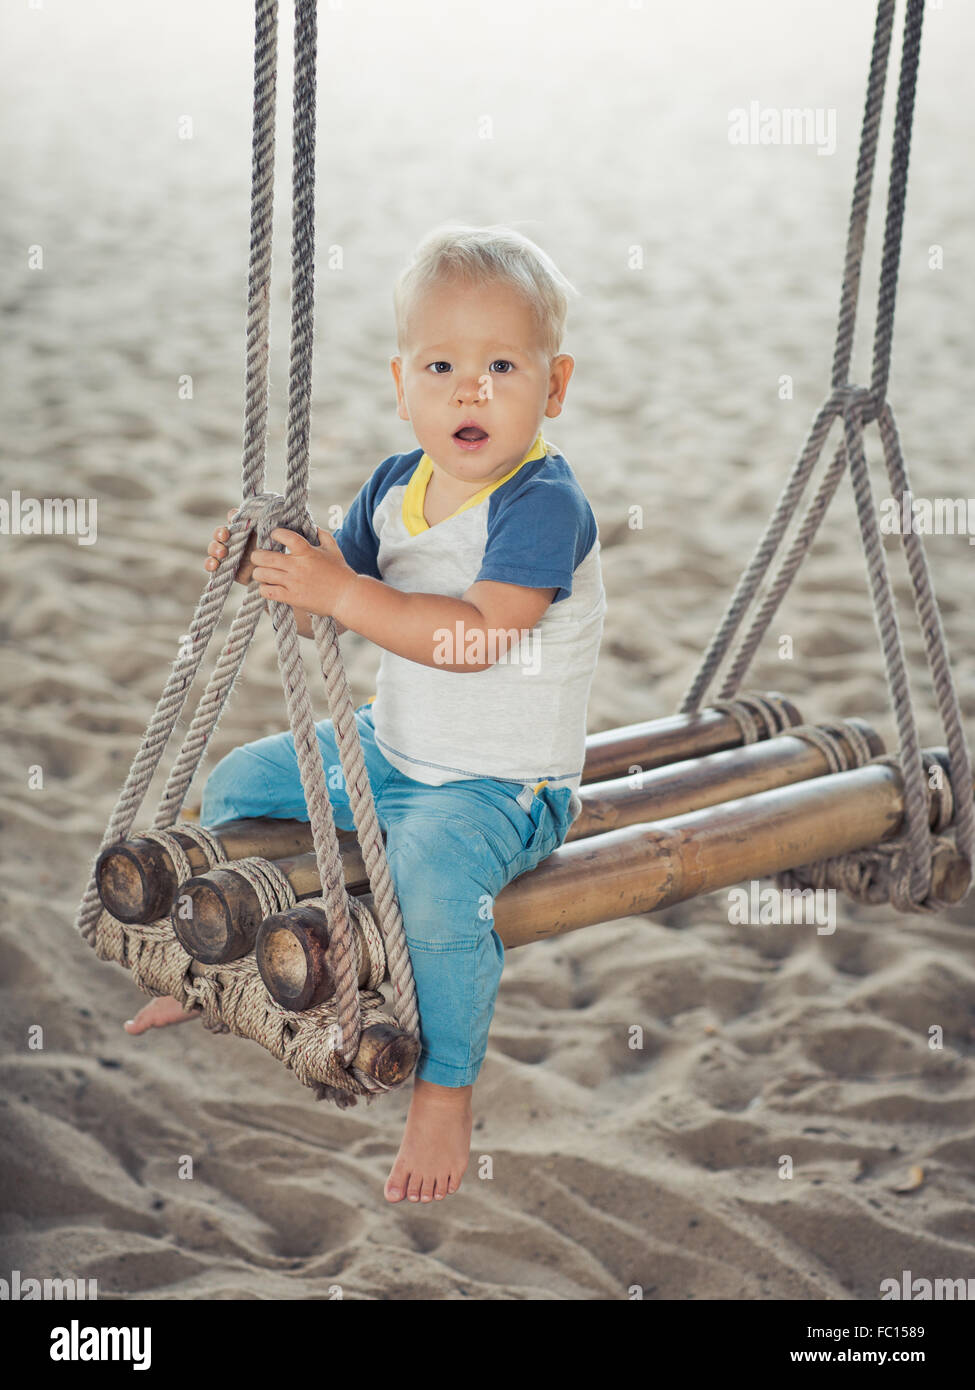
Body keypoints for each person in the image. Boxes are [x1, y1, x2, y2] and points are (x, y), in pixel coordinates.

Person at [124, 223, 606, 1205]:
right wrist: (272, 568)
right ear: (402, 384)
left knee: (431, 877)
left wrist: (343, 595)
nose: (470, 389)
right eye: (443, 364)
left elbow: (475, 635)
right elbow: (321, 614)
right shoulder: (395, 486)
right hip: (393, 756)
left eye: (502, 365)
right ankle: (222, 956)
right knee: (241, 784)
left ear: (553, 388)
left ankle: (446, 1083)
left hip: (503, 788)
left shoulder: (540, 504)